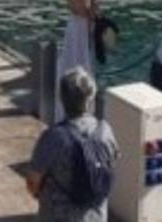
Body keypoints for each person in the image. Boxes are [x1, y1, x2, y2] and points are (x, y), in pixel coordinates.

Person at [26, 67, 119, 222]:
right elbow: (112, 161)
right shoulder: (105, 130)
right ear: (91, 99)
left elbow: (32, 181)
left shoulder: (53, 137)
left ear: (61, 98)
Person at [57, 0, 97, 120]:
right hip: (77, 32)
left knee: (81, 59)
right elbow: (90, 15)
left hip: (81, 31)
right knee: (75, 59)